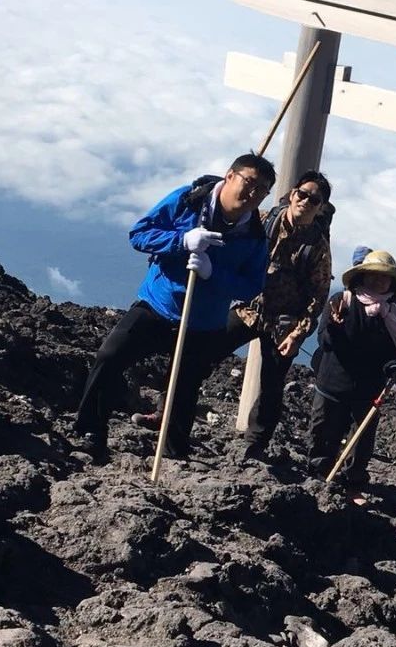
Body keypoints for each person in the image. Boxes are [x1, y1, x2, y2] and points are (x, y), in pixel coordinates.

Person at [73, 154, 274, 459]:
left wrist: (212, 273)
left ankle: (173, 452)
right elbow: (140, 234)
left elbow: (252, 285)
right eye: (250, 182)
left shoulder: (254, 235)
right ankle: (91, 431)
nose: (253, 194)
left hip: (203, 322)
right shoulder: (189, 200)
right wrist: (182, 241)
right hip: (158, 304)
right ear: (230, 176)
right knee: (109, 358)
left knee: (185, 388)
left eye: (262, 190)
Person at [134, 170, 334, 461]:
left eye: (313, 199)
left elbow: (319, 294)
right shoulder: (262, 221)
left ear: (320, 207)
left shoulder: (317, 246)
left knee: (272, 385)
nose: (305, 201)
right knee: (198, 358)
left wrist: (298, 332)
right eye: (302, 194)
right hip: (249, 308)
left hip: (284, 323)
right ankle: (166, 414)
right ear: (292, 194)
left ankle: (256, 446)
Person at [308, 250, 396, 502]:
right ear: (363, 276)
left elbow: (391, 351)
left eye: (384, 278)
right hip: (333, 382)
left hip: (368, 388)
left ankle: (352, 483)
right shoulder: (341, 300)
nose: (379, 281)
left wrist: (392, 368)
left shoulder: (393, 312)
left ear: (392, 283)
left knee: (361, 440)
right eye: (374, 275)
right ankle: (318, 478)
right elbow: (325, 340)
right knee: (324, 433)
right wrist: (334, 323)